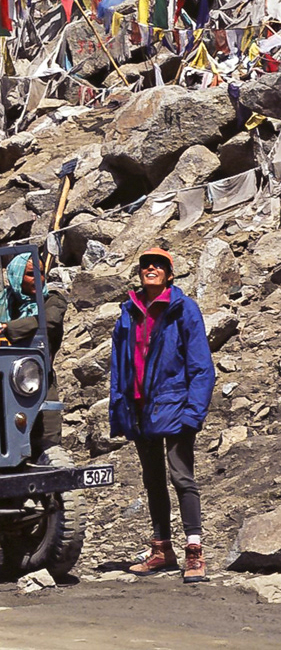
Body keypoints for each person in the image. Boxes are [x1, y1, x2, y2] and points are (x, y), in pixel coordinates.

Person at [109, 247, 214, 583]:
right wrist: (119, 407)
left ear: (170, 274)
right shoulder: (129, 311)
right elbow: (118, 366)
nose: (150, 268)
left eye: (159, 265)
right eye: (145, 265)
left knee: (181, 477)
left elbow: (201, 367)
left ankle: (194, 552)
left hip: (176, 406)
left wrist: (194, 412)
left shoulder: (183, 309)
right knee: (153, 480)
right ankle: (161, 549)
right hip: (140, 409)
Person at [0, 253, 68, 449]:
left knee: (47, 438)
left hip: (38, 376)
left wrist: (5, 326)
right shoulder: (1, 302)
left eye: (40, 273)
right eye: (30, 274)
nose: (38, 278)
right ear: (16, 276)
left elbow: (48, 321)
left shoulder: (52, 300)